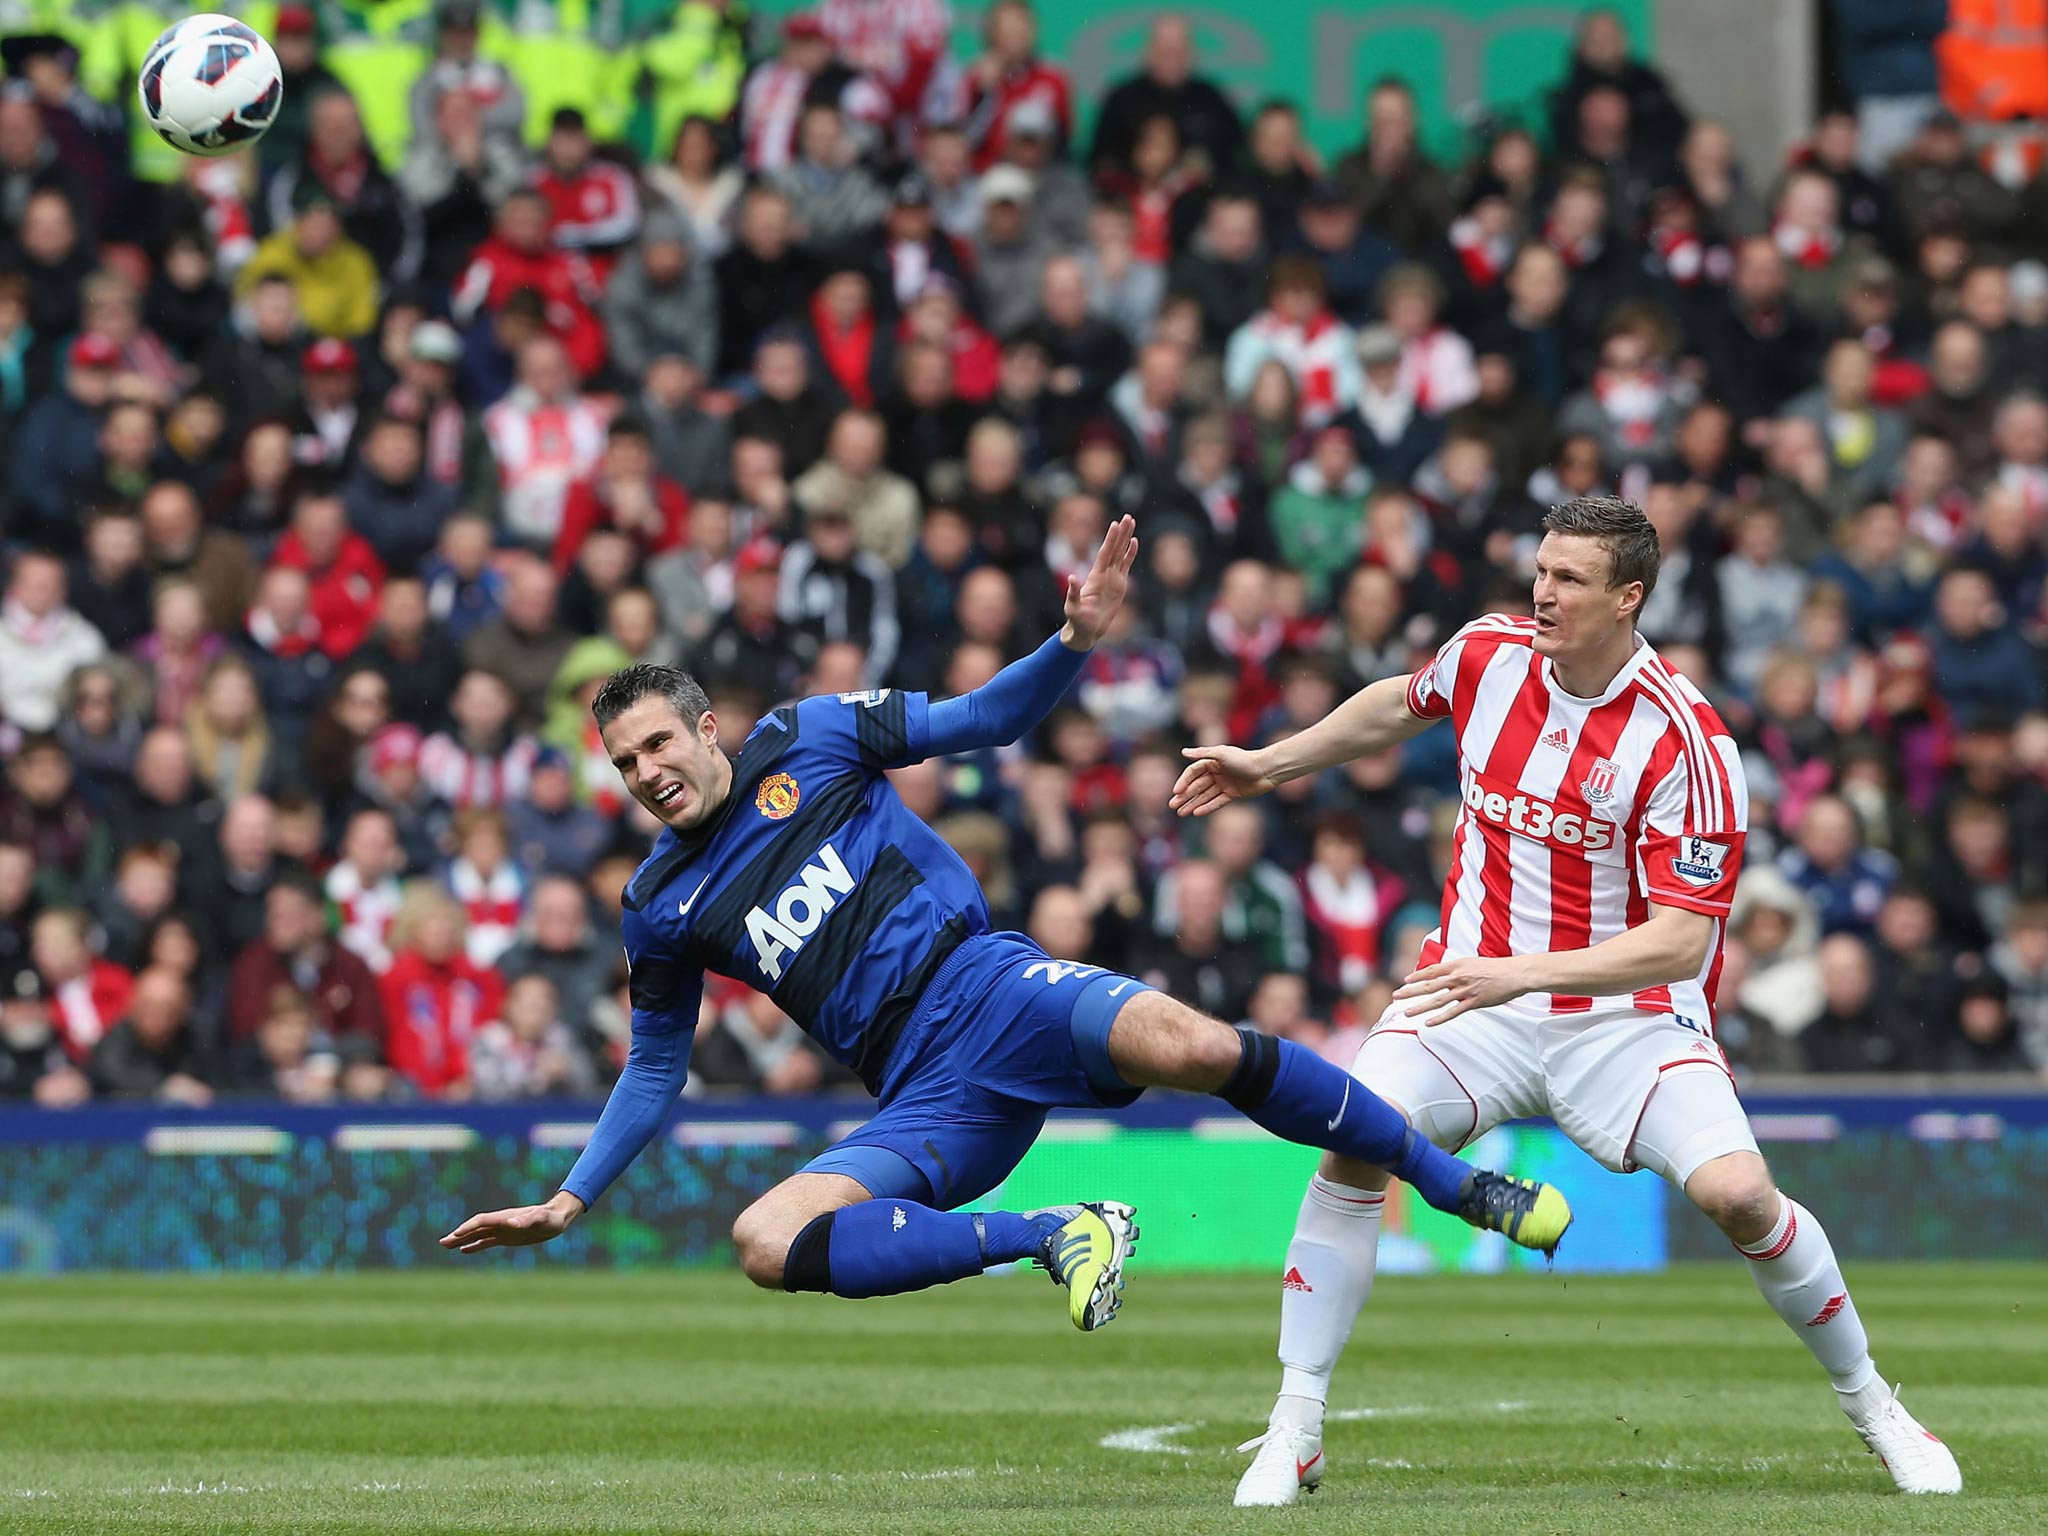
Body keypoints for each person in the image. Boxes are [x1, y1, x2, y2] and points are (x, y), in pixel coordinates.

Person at [443, 517, 1569, 1330]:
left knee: (1197, 1047)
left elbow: (984, 717)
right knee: (764, 1242)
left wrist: (1071, 642)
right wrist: (569, 1197)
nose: (646, 773)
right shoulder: (657, 904)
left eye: (657, 745)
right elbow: (653, 1068)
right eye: (624, 762)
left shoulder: (813, 736)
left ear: (706, 728)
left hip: (989, 988)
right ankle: (1057, 1230)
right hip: (921, 1087)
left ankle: (1454, 1182)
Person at [1173, 495, 1962, 1503]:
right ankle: (1294, 1424)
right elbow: (1397, 702)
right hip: (1469, 992)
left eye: (1569, 579)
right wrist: (1266, 763)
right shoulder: (1486, 653)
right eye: (1539, 571)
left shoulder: (1689, 742)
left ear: (1627, 598)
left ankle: (1874, 1406)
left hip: (1622, 1015)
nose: (1542, 594)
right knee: (1354, 1139)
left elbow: (1680, 938)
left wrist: (1524, 972)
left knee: (1738, 1196)